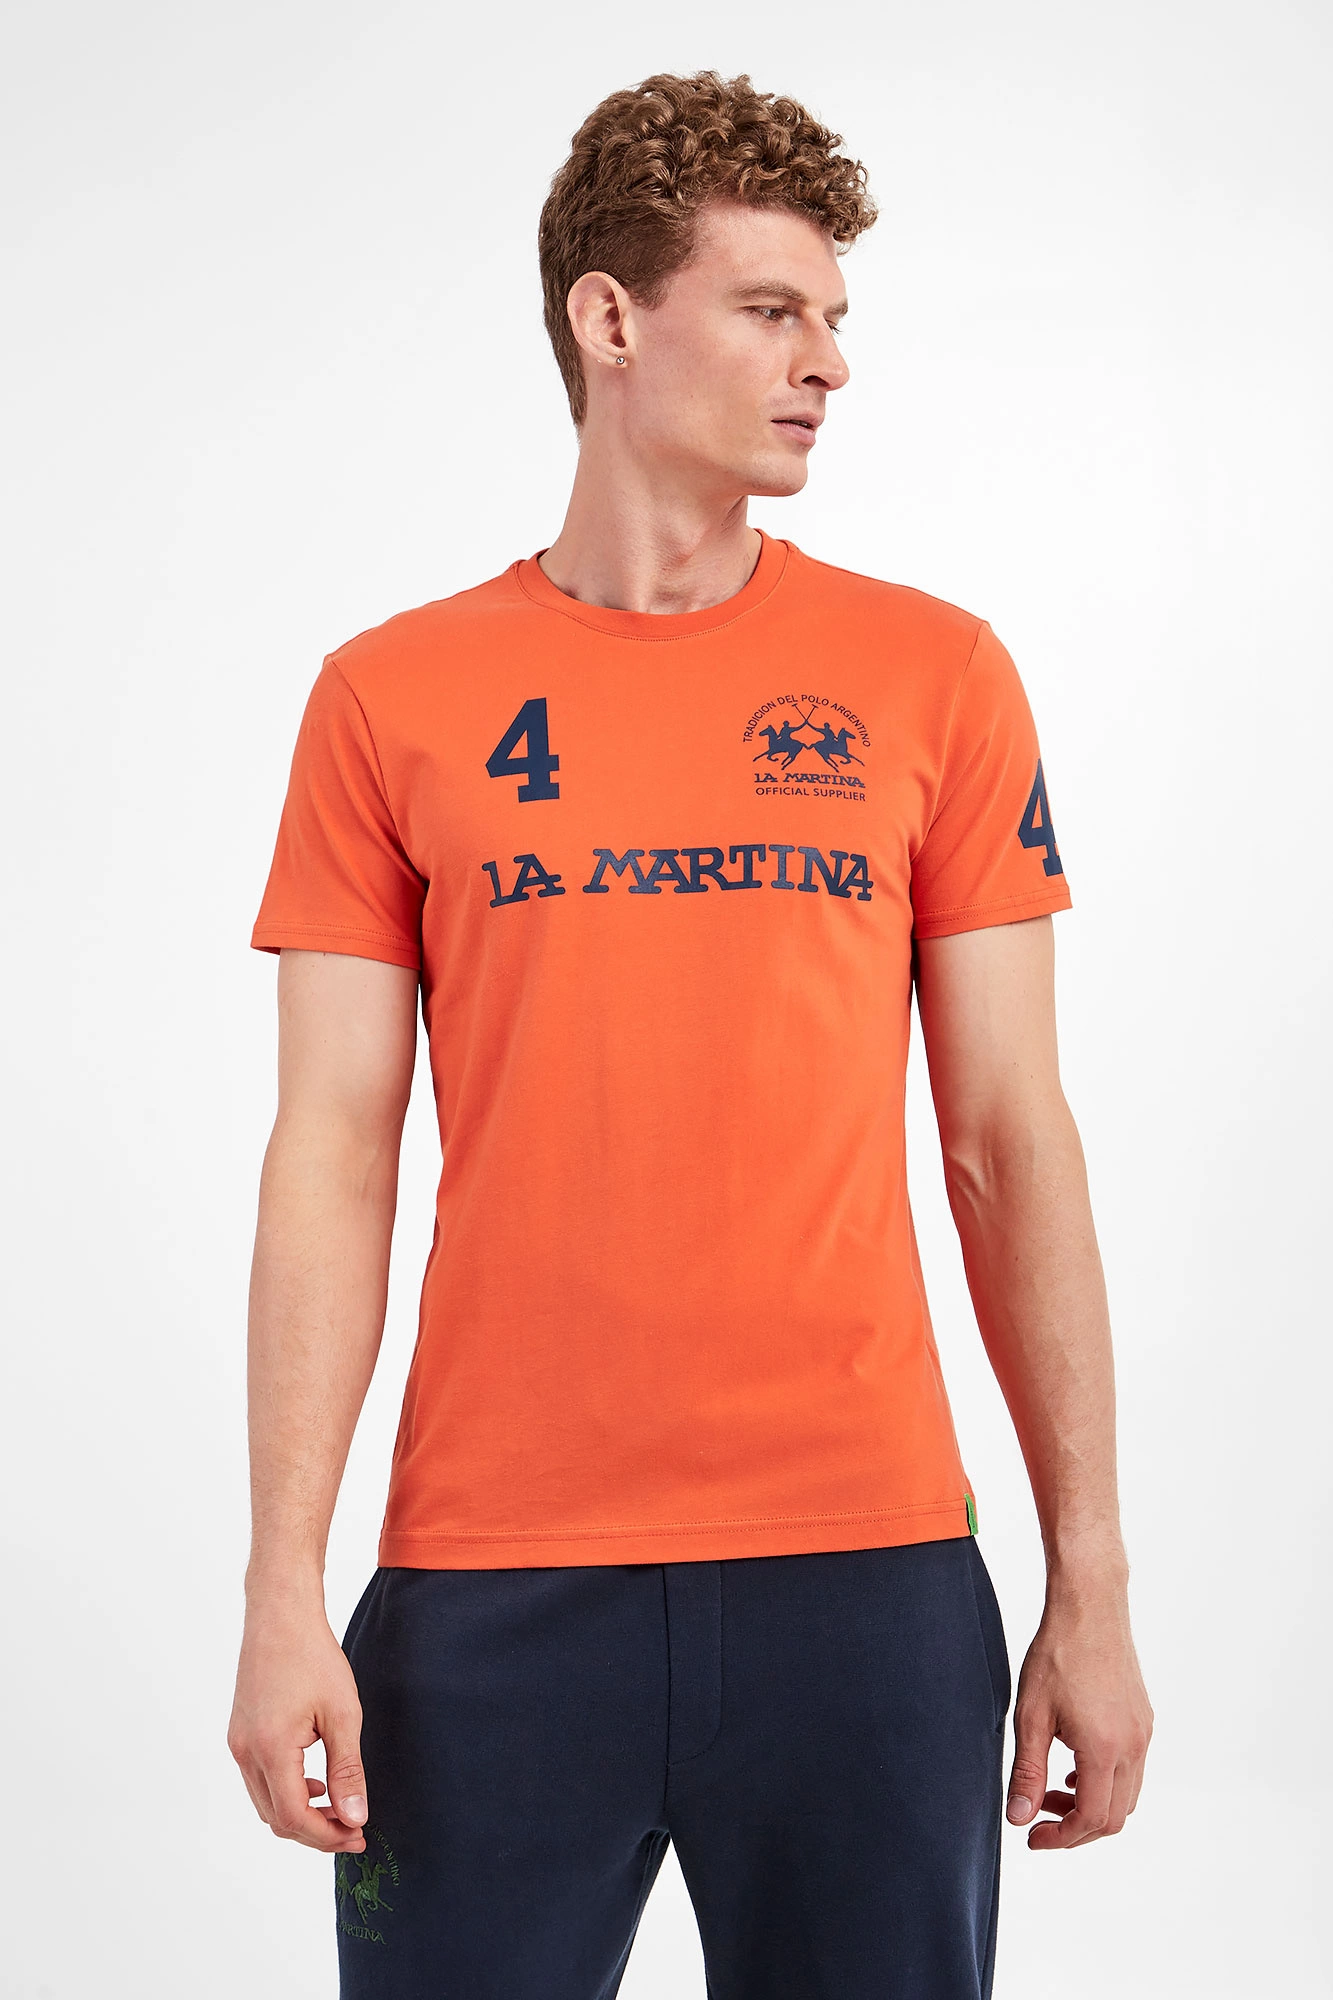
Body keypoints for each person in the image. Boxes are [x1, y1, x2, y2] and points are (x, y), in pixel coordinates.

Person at [227, 68, 1152, 2000]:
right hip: (488, 1594)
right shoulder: (389, 699)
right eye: (773, 308)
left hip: (868, 1581)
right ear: (611, 318)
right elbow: (333, 1151)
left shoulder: (936, 677)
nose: (829, 363)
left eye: (836, 318)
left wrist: (1092, 1580)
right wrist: (279, 1586)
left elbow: (1009, 1138)